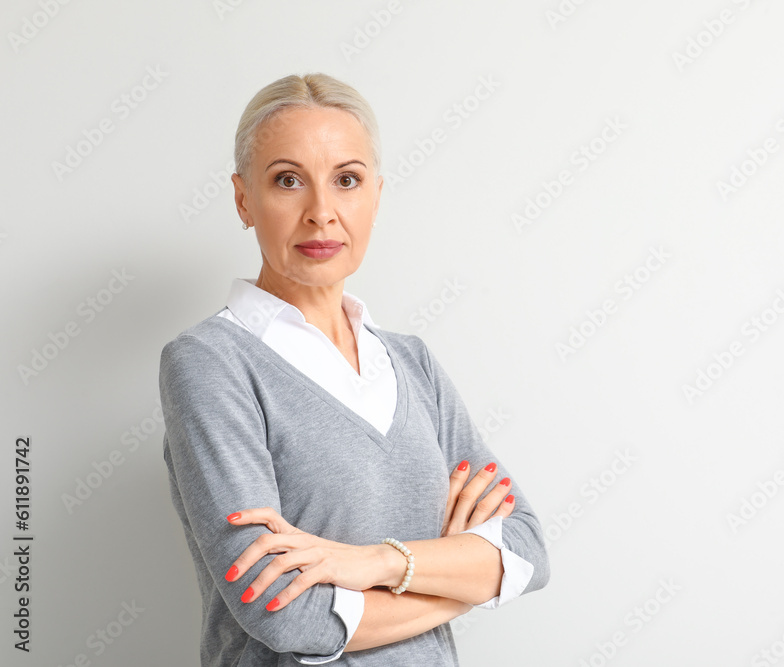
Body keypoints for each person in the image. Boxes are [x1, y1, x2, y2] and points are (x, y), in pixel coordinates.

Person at [159, 73, 550, 666]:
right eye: (288, 180)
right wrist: (462, 579)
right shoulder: (210, 363)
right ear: (243, 200)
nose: (322, 213)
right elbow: (289, 615)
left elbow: (527, 549)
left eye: (346, 180)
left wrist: (377, 562)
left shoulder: (412, 362)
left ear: (376, 196)